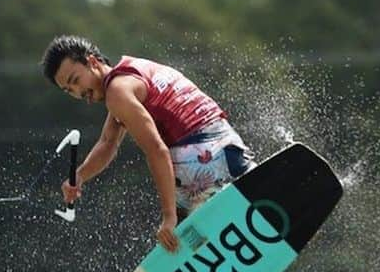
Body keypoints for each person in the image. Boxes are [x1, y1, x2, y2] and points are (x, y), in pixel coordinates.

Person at [40, 35, 256, 252]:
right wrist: (80, 175)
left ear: (93, 62)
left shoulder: (117, 93)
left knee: (181, 245)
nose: (78, 93)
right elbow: (108, 142)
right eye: (69, 90)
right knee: (245, 213)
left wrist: (169, 217)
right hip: (227, 144)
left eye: (76, 81)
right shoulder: (133, 69)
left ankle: (195, 248)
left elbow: (156, 150)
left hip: (199, 161)